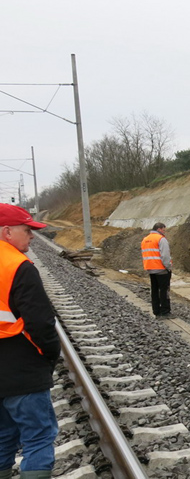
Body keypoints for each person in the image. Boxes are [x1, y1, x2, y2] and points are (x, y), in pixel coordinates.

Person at [0, 204, 60, 479]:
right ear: (7, 231)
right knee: (38, 438)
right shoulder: (18, 266)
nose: (32, 236)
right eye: (28, 230)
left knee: (2, 438)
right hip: (21, 368)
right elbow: (41, 324)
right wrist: (49, 357)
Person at [141, 222, 172, 317]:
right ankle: (165, 311)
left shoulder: (145, 239)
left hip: (150, 269)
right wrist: (168, 267)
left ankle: (156, 311)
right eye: (163, 230)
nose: (164, 232)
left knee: (154, 290)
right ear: (159, 229)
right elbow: (165, 256)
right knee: (164, 290)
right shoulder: (161, 239)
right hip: (161, 269)